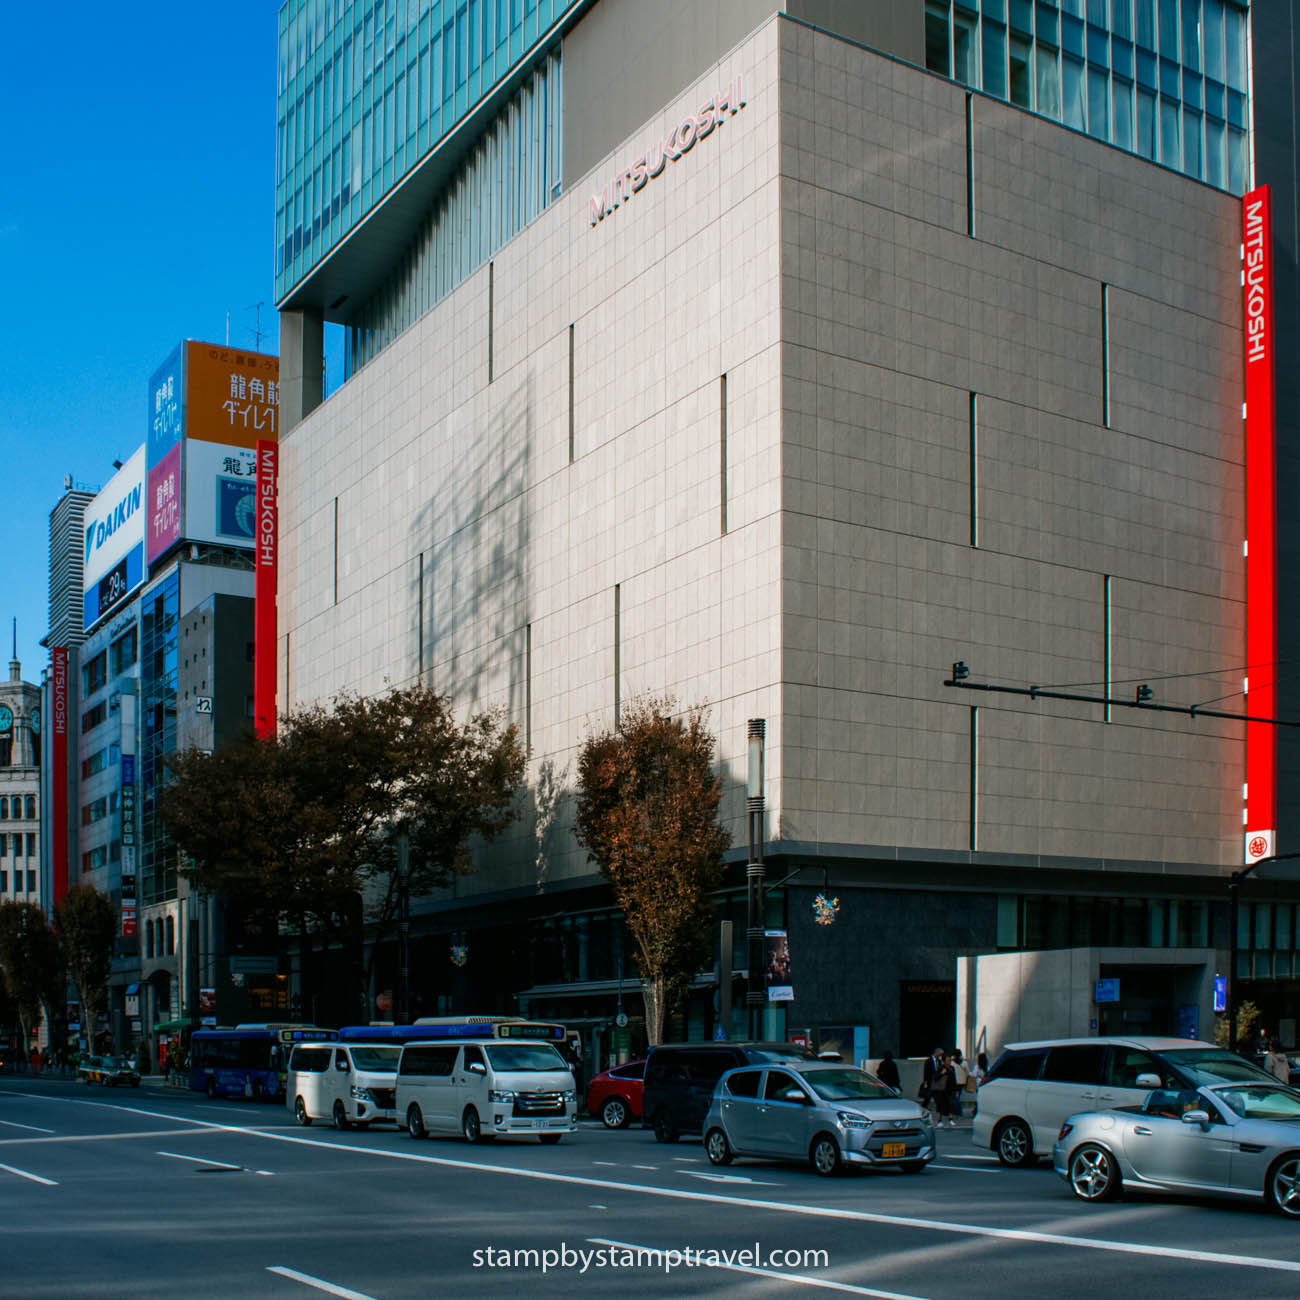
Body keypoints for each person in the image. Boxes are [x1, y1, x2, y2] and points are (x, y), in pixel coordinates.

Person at [949, 1048, 968, 1120]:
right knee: (957, 1097)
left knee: (955, 1097)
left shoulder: (952, 1063)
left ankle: (958, 1112)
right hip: (962, 1082)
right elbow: (968, 1073)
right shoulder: (964, 1063)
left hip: (954, 1082)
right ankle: (958, 1112)